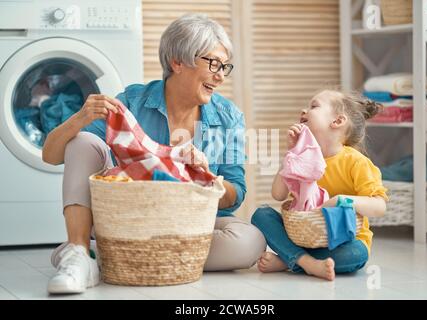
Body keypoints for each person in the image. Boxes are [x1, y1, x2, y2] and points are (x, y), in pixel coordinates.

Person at [42, 13, 266, 294]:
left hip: (189, 221)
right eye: (213, 63)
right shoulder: (133, 102)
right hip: (130, 218)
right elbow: (50, 156)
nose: (220, 75)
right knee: (83, 140)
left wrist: (206, 178)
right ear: (178, 61)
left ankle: (106, 256)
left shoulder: (228, 116)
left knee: (250, 241)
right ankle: (78, 250)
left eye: (225, 66)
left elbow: (237, 192)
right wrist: (80, 119)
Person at [251, 89, 388, 281]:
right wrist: (291, 153)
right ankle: (306, 262)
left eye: (313, 106)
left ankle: (291, 260)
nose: (303, 110)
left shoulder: (356, 162)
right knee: (262, 215)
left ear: (337, 121)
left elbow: (379, 207)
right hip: (302, 236)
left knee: (357, 254)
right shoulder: (301, 158)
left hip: (341, 242)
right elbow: (278, 194)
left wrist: (342, 201)